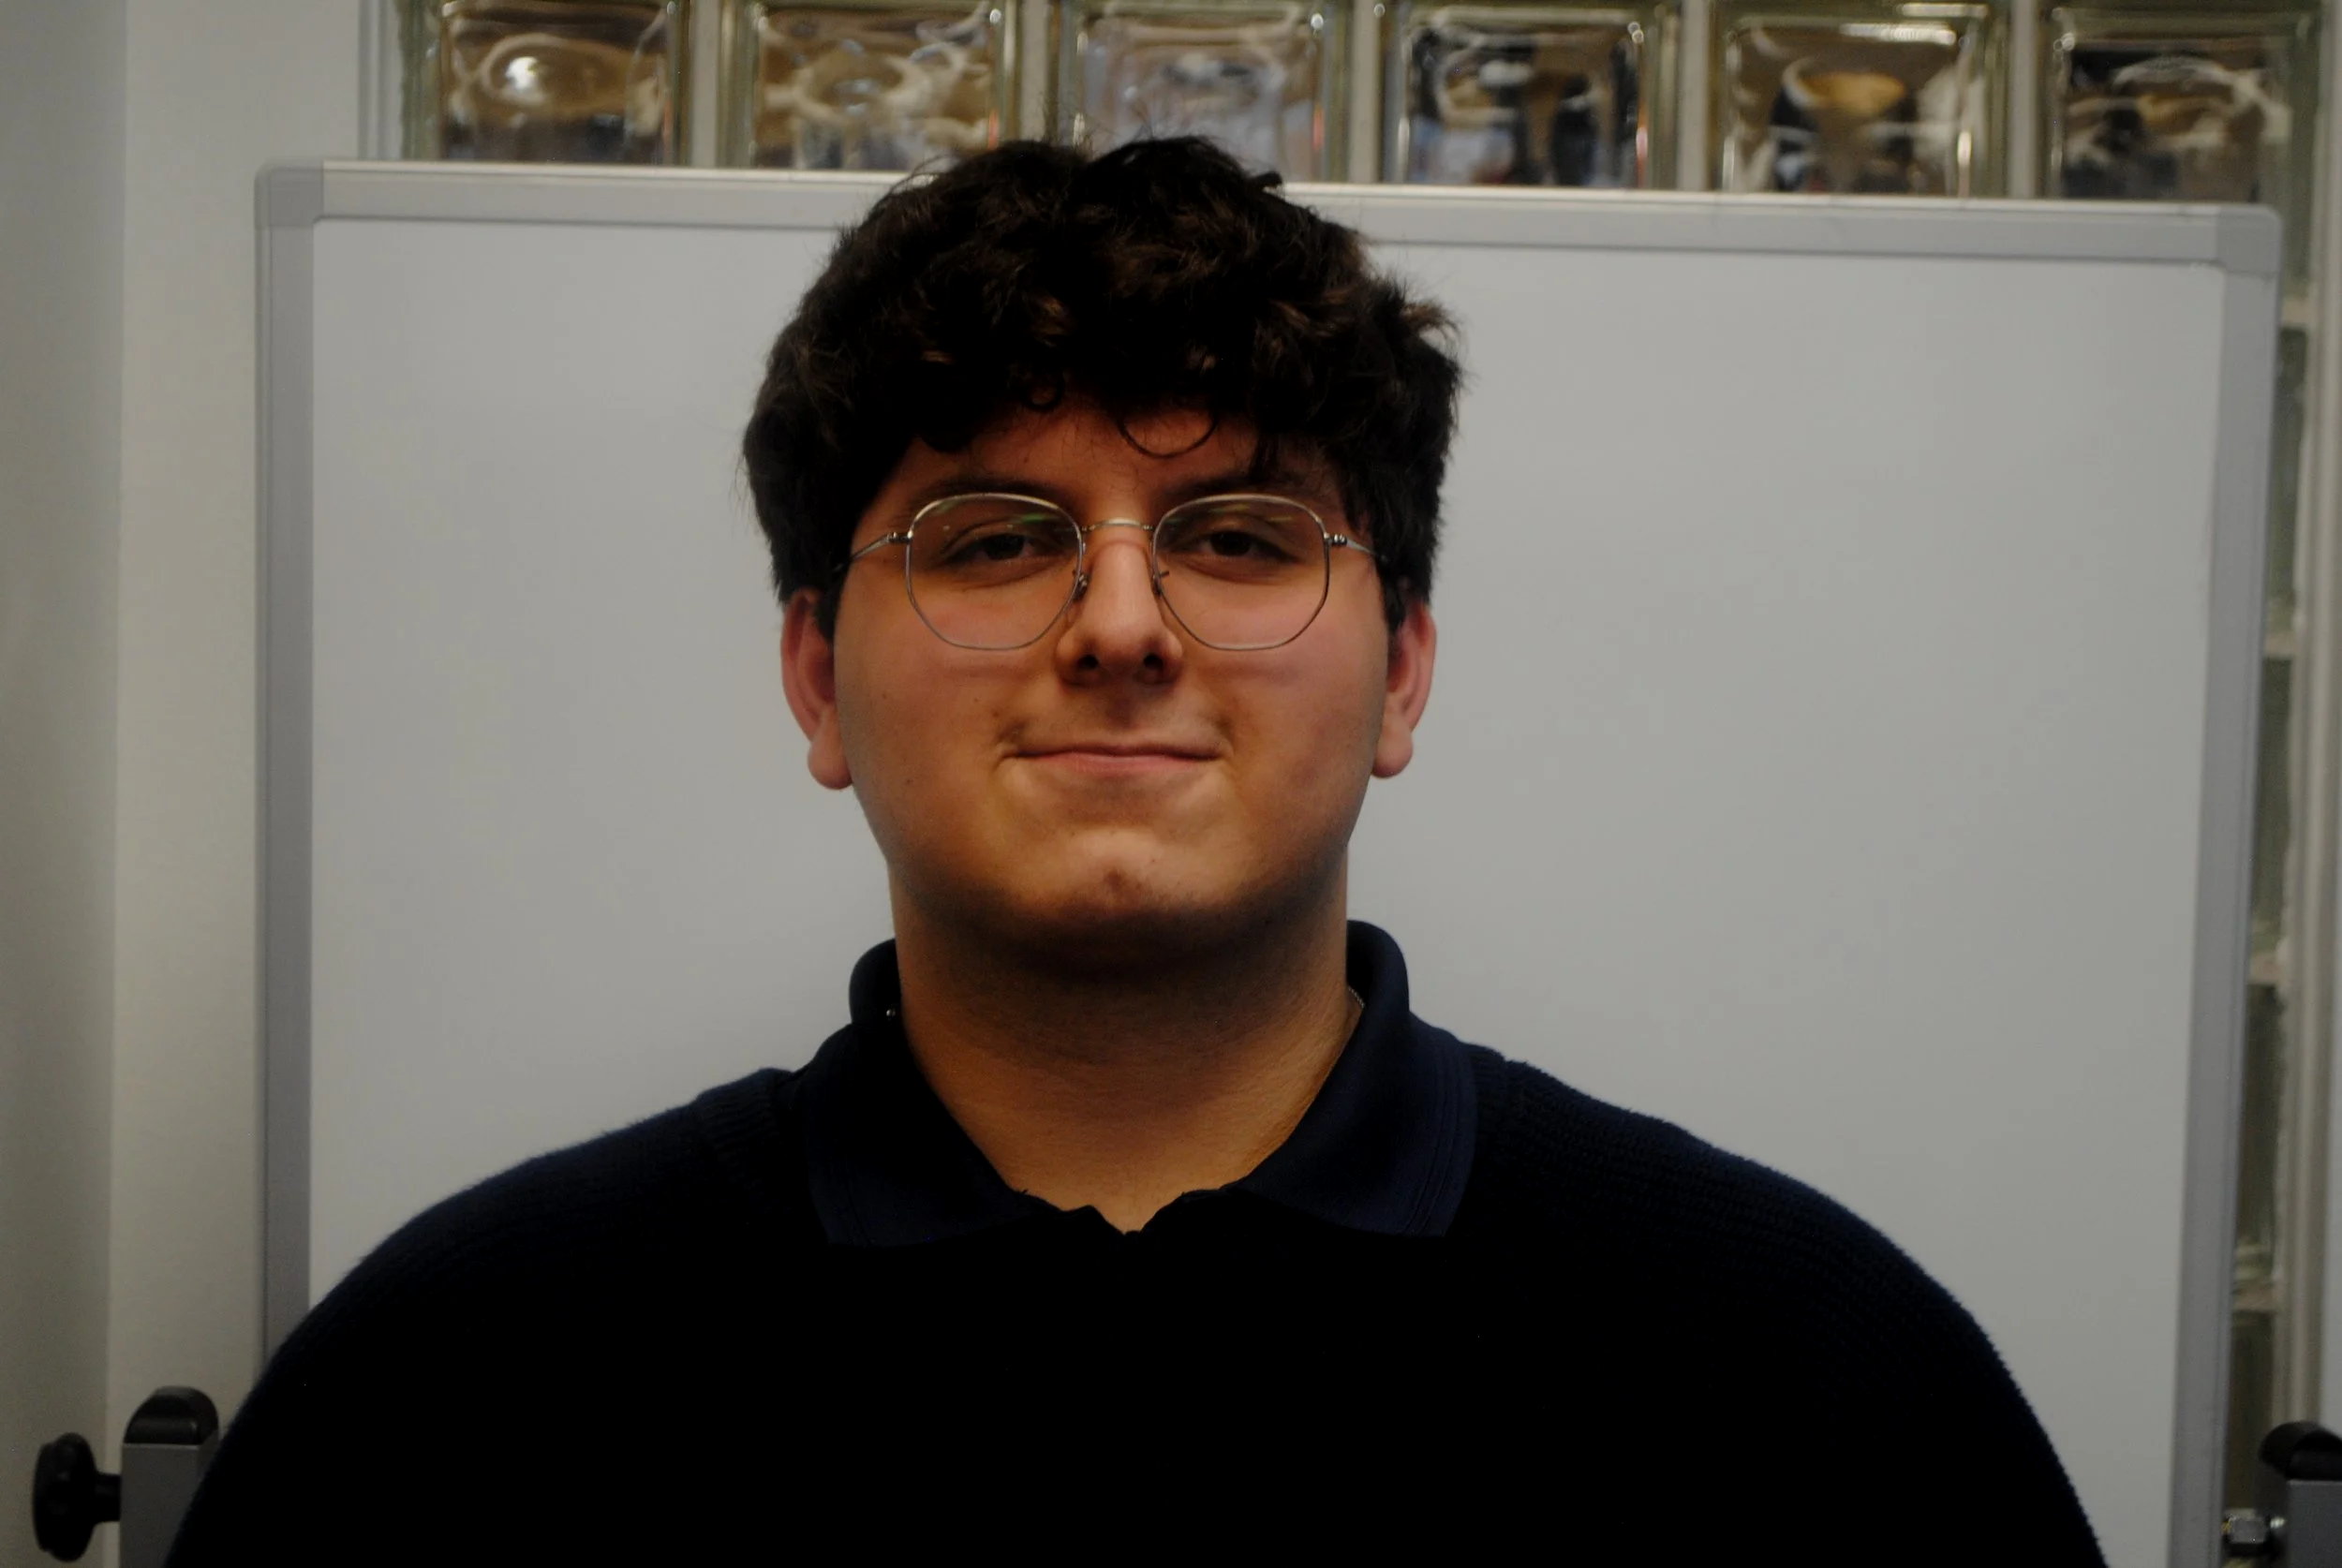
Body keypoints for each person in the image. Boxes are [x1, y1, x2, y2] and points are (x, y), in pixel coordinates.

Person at [169, 137, 2101, 1561]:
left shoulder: (1809, 1380)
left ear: (1403, 676)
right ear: (815, 683)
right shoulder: (455, 1388)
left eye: (1240, 536)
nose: (1117, 624)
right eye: (995, 537)